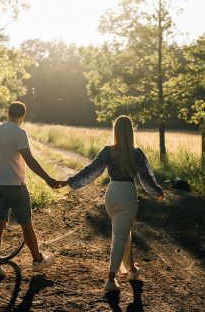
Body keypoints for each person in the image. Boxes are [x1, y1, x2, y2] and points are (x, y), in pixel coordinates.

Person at [65, 115, 164, 292]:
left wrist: (72, 181)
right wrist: (157, 191)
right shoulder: (137, 153)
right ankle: (110, 280)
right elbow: (146, 178)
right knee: (120, 235)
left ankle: (132, 269)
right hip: (127, 194)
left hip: (111, 195)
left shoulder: (108, 151)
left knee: (123, 232)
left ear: (116, 131)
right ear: (131, 131)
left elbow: (92, 170)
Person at [0, 101, 60, 279]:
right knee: (26, 225)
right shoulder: (20, 133)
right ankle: (37, 261)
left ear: (7, 113)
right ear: (22, 116)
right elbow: (28, 158)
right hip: (15, 187)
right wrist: (47, 178)